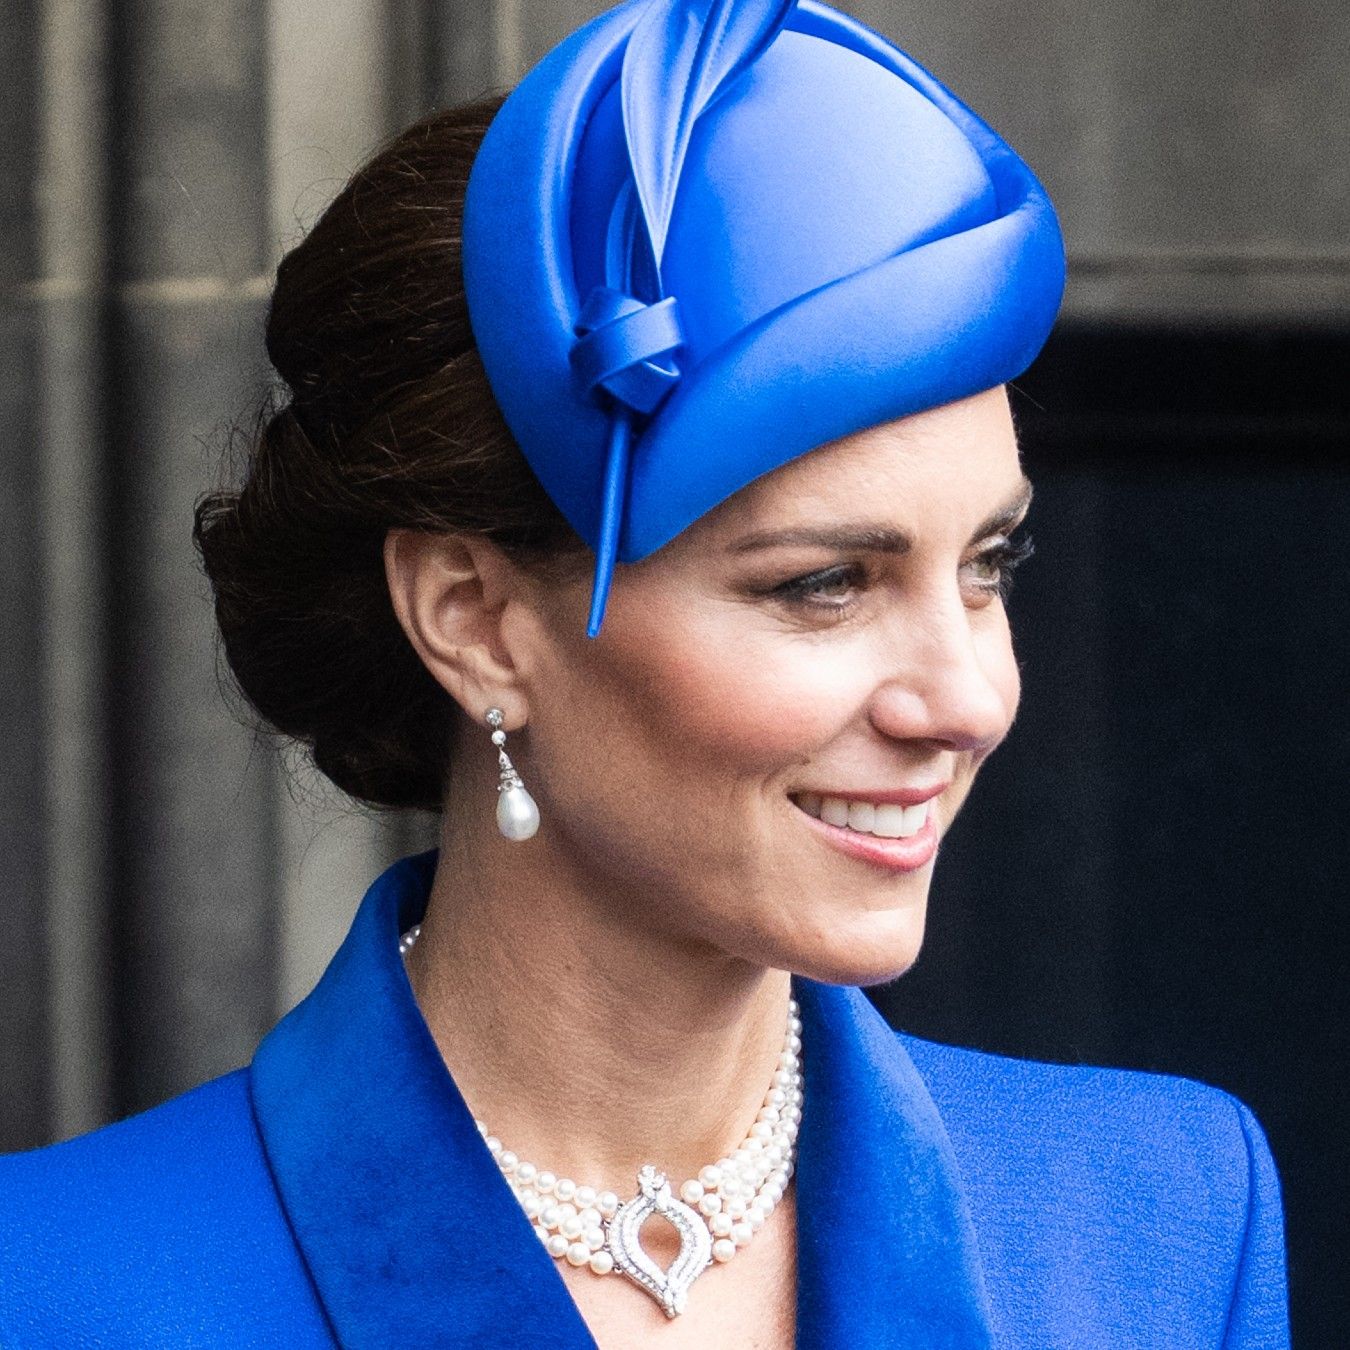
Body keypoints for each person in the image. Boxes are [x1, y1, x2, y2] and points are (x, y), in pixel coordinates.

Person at [0, 0, 1289, 1345]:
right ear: (475, 619)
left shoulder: (1157, 1224)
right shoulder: (53, 1286)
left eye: (988, 563)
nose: (966, 701)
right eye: (823, 584)